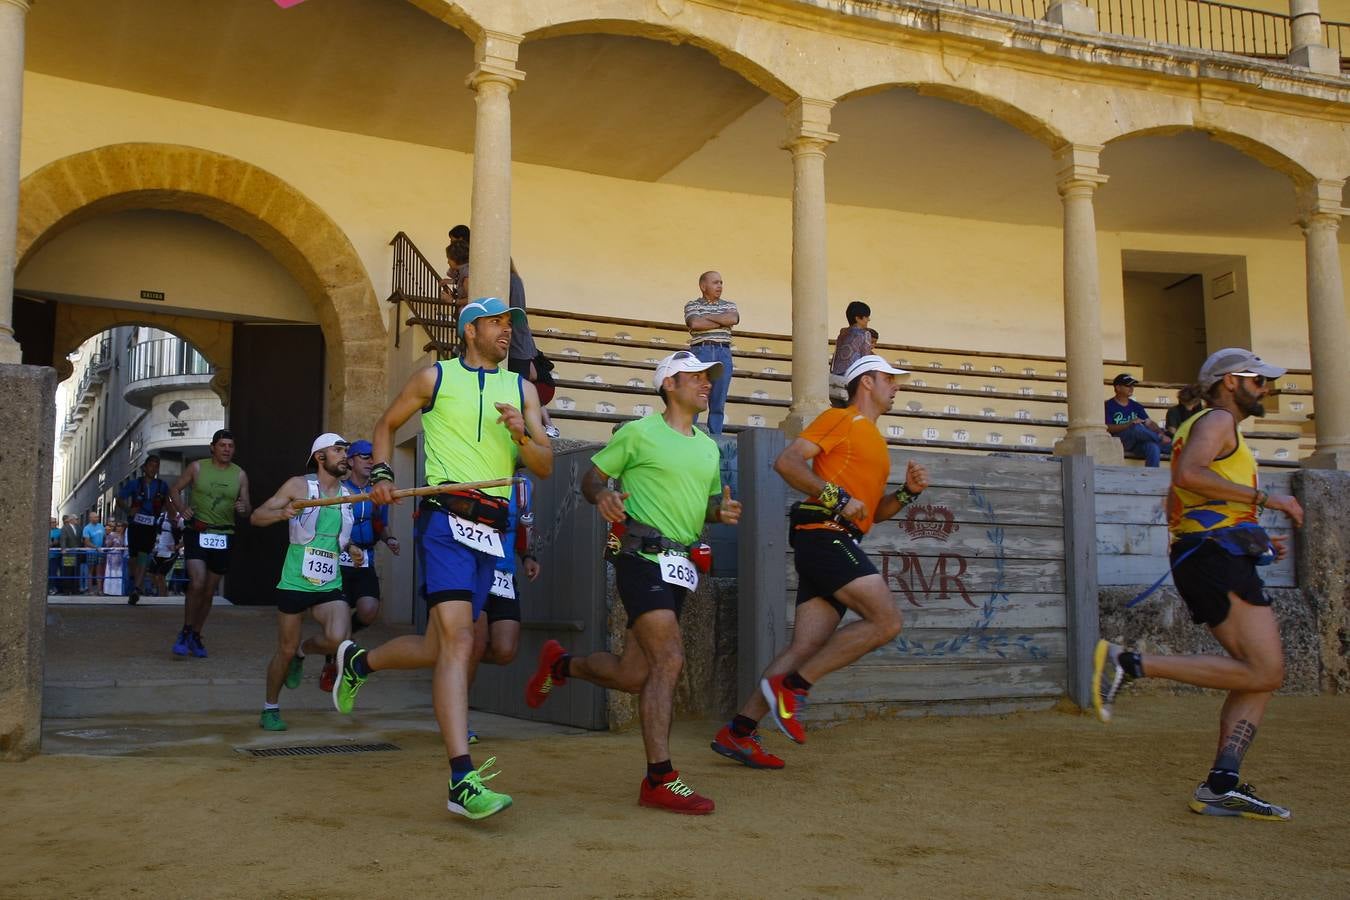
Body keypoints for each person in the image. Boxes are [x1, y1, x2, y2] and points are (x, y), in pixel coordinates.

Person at [332, 296, 553, 821]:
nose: (507, 332)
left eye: (510, 325)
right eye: (497, 324)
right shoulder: (434, 378)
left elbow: (543, 464)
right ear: (469, 330)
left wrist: (522, 434)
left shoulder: (521, 389)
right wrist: (383, 477)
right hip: (444, 519)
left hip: (492, 530)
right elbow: (385, 426)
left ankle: (359, 661)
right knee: (459, 640)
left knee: (441, 645)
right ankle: (461, 778)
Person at [524, 350, 741, 815]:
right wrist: (603, 496)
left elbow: (703, 507)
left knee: (634, 674)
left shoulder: (709, 446)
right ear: (668, 384)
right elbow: (591, 478)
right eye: (697, 377)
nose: (707, 384)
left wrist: (718, 512)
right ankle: (659, 778)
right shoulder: (638, 433)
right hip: (640, 558)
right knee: (670, 659)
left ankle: (562, 666)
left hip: (679, 567)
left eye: (709, 378)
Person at [1094, 348, 1303, 821]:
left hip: (1214, 551)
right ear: (1230, 381)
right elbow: (1190, 476)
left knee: (1258, 674)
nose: (1265, 388)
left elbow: (1178, 499)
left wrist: (1247, 533)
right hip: (1213, 557)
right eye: (1258, 379)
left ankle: (1222, 783)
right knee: (1264, 671)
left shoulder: (1197, 426)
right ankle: (1128, 663)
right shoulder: (1217, 422)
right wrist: (1267, 500)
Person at [713, 355, 929, 766]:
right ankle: (793, 688)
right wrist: (838, 498)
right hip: (824, 534)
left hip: (836, 537)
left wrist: (907, 494)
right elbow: (787, 462)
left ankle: (739, 731)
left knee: (806, 644)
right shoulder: (840, 419)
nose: (896, 386)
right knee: (886, 622)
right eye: (889, 379)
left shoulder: (875, 442)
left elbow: (870, 514)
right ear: (865, 382)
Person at [248, 434, 362, 731]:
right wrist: (282, 513)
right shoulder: (299, 485)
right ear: (319, 457)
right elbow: (257, 516)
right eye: (337, 450)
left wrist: (351, 549)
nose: (344, 456)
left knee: (338, 638)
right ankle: (269, 707)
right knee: (284, 650)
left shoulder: (347, 494)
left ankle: (304, 652)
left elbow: (338, 537)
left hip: (328, 582)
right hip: (295, 582)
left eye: (345, 451)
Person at [316, 439, 401, 693]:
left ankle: (342, 639)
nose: (371, 461)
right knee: (338, 615)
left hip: (366, 560)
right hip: (340, 560)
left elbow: (380, 524)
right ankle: (333, 658)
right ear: (351, 461)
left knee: (369, 610)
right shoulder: (340, 490)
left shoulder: (378, 492)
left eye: (373, 457)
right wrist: (348, 545)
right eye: (365, 456)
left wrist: (390, 539)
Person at [466, 471, 540, 742]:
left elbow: (524, 523)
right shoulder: (477, 468)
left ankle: (451, 658)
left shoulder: (524, 485)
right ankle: (458, 717)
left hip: (504, 574)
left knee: (505, 651)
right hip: (473, 569)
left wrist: (528, 556)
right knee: (474, 644)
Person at [168, 429, 252, 658]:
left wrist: (244, 509)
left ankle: (196, 633)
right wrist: (181, 509)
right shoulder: (197, 467)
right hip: (197, 530)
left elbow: (247, 508)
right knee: (197, 582)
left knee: (208, 590)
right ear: (213, 447)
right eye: (222, 445)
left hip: (224, 535)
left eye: (230, 446)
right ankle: (185, 631)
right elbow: (174, 489)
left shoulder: (240, 475)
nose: (227, 449)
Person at [683, 271, 738, 434]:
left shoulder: (729, 305)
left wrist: (707, 317)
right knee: (695, 396)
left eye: (721, 282)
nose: (720, 286)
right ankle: (688, 435)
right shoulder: (692, 304)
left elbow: (733, 319)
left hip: (723, 352)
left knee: (718, 402)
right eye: (715, 282)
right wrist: (721, 320)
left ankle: (716, 439)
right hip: (701, 351)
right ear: (703, 286)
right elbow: (695, 323)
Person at [117, 455, 171, 605]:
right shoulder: (135, 484)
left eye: (156, 466)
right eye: (151, 465)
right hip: (135, 524)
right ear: (145, 468)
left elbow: (168, 502)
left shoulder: (162, 486)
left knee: (144, 555)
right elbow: (119, 498)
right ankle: (136, 582)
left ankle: (136, 589)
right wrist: (129, 510)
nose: (153, 468)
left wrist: (168, 515)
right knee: (133, 558)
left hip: (151, 525)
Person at [1105, 373, 1170, 467]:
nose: (1131, 388)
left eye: (1133, 385)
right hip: (1120, 442)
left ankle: (1151, 478)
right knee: (1135, 427)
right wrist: (1129, 424)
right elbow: (1108, 427)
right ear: (1118, 387)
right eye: (1128, 385)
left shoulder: (1136, 405)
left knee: (1153, 447)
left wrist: (1160, 432)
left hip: (1138, 443)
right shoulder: (1108, 406)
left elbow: (1149, 423)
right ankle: (1166, 444)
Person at [829, 301, 875, 406]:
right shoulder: (865, 334)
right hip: (853, 379)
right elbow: (865, 359)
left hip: (835, 379)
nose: (868, 319)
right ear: (858, 318)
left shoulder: (843, 332)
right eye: (866, 317)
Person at [149, 511, 183, 598]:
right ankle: (163, 591)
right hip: (159, 550)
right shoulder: (161, 516)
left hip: (171, 552)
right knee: (151, 573)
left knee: (161, 575)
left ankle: (162, 597)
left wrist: (176, 547)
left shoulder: (180, 518)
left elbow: (188, 536)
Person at [81, 511, 106, 595]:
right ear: (90, 518)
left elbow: (104, 538)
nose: (97, 518)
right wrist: (96, 547)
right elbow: (86, 542)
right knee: (90, 571)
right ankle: (90, 590)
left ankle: (100, 590)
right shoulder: (87, 528)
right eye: (95, 517)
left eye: (97, 517)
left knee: (99, 571)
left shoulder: (101, 526)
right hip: (91, 551)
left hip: (100, 552)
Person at [102, 522, 127, 596]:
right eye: (118, 526)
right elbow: (107, 545)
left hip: (121, 558)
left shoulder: (125, 536)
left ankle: (119, 592)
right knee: (112, 574)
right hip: (112, 557)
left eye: (121, 526)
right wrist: (113, 540)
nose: (119, 528)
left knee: (119, 574)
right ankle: (109, 591)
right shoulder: (112, 534)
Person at [58, 515, 81, 594]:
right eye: (76, 519)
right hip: (68, 554)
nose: (77, 520)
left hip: (77, 553)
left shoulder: (78, 528)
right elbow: (63, 539)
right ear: (71, 520)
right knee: (68, 572)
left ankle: (75, 589)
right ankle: (66, 590)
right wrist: (63, 548)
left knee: (76, 571)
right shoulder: (65, 528)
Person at [47, 517, 61, 595]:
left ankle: (55, 588)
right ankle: (49, 588)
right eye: (52, 522)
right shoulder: (46, 531)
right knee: (49, 573)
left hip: (56, 556)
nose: (54, 523)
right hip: (47, 556)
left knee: (54, 572)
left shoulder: (59, 531)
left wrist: (55, 542)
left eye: (55, 522)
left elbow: (60, 541)